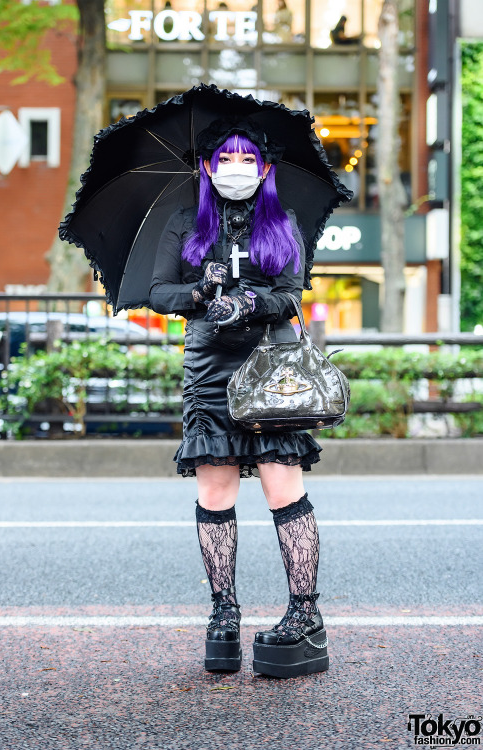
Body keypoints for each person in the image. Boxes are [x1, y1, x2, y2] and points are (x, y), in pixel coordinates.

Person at [149, 117, 328, 679]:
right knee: (216, 487)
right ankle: (223, 615)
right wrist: (202, 291)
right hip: (209, 368)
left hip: (271, 367)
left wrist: (249, 303)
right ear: (207, 168)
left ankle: (305, 617)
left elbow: (291, 293)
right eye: (224, 159)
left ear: (265, 169)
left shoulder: (284, 223)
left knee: (283, 488)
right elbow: (158, 293)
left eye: (247, 160)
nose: (235, 169)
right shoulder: (184, 224)